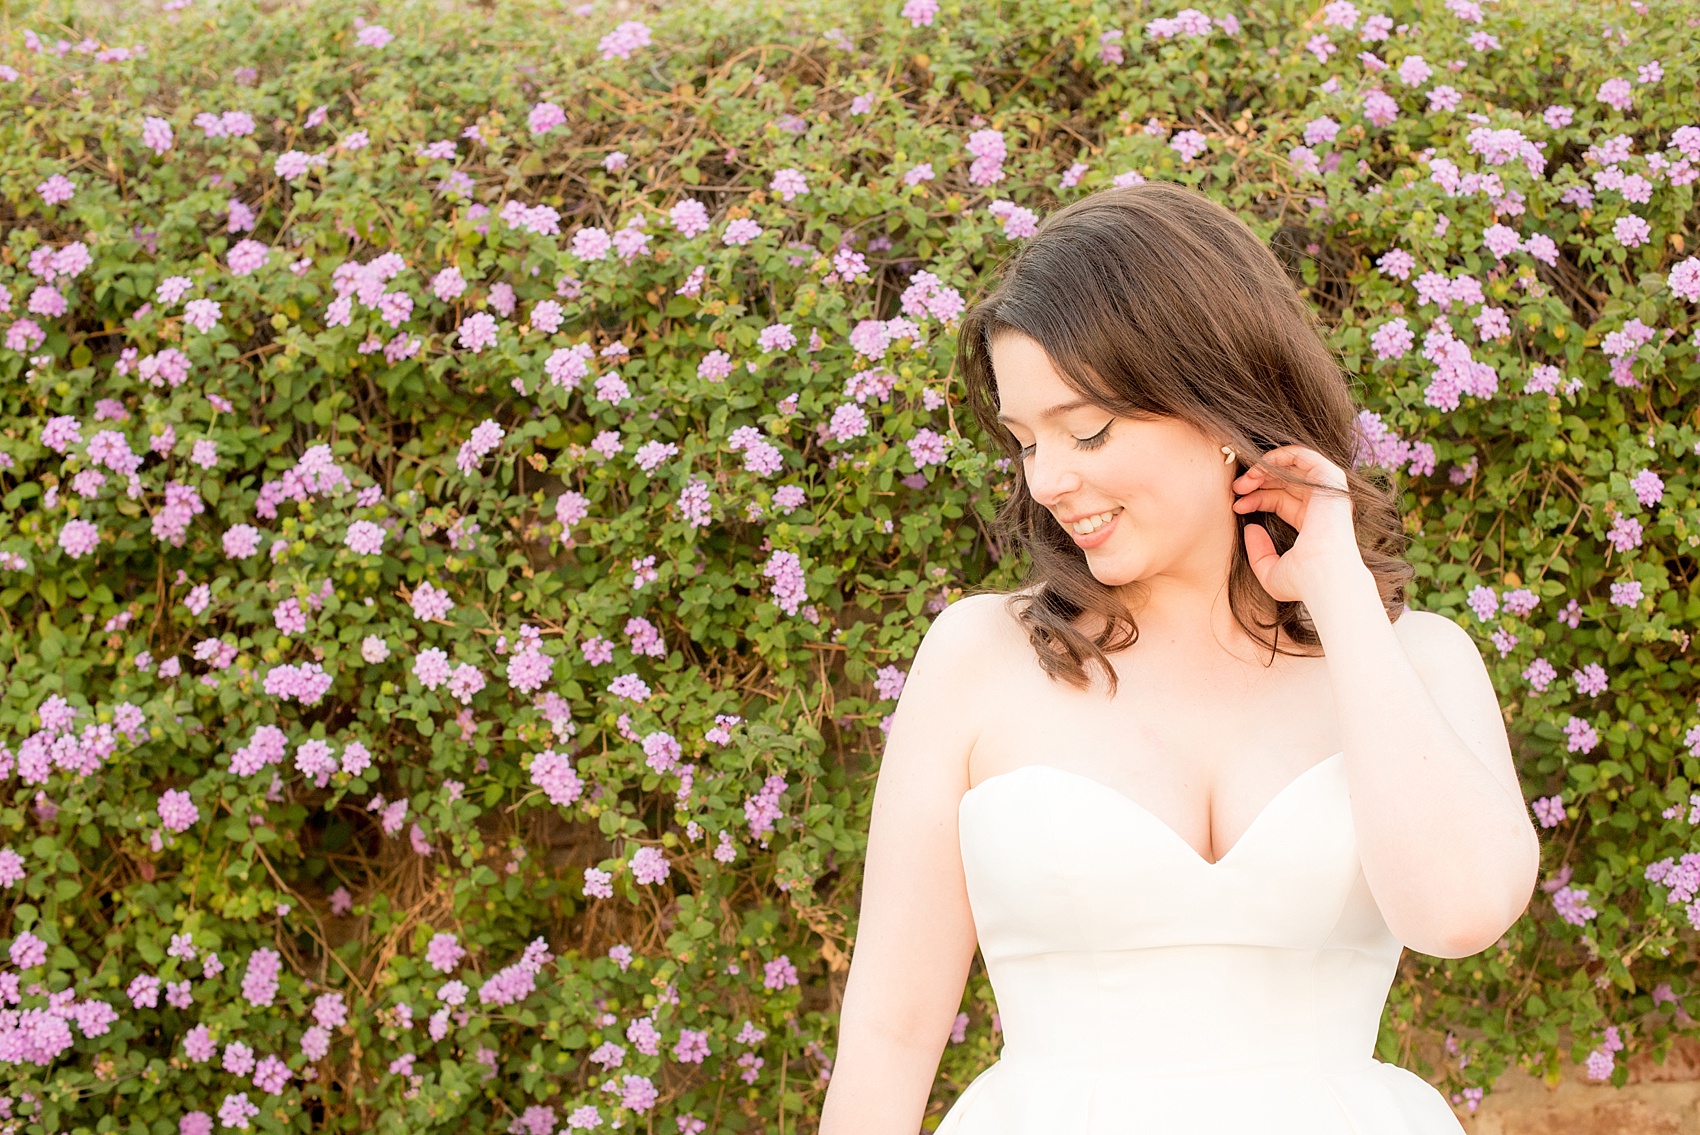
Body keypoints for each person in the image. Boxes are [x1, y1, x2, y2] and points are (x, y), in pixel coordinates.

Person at [817, 183, 1541, 1134]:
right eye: (1027, 442)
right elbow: (891, 1032)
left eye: (1086, 431)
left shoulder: (1417, 659)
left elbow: (1458, 914)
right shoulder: (977, 658)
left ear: (1217, 399)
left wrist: (1340, 591)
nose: (1050, 480)